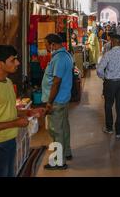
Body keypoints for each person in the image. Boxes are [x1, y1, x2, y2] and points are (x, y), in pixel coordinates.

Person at [0, 46, 44, 177]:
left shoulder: (8, 82)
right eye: (13, 60)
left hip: (8, 140)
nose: (18, 63)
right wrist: (14, 123)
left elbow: (8, 111)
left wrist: (29, 113)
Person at [41, 34, 74, 170]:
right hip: (63, 98)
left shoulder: (59, 59)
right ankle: (66, 152)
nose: (46, 47)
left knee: (56, 130)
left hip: (56, 100)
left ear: (53, 44)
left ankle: (58, 161)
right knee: (63, 127)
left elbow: (56, 82)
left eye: (47, 44)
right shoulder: (65, 55)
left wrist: (49, 102)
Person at [97, 34, 120, 140]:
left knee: (108, 105)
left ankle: (109, 128)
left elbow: (99, 70)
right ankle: (118, 132)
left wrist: (104, 77)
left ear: (112, 42)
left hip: (110, 83)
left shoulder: (108, 54)